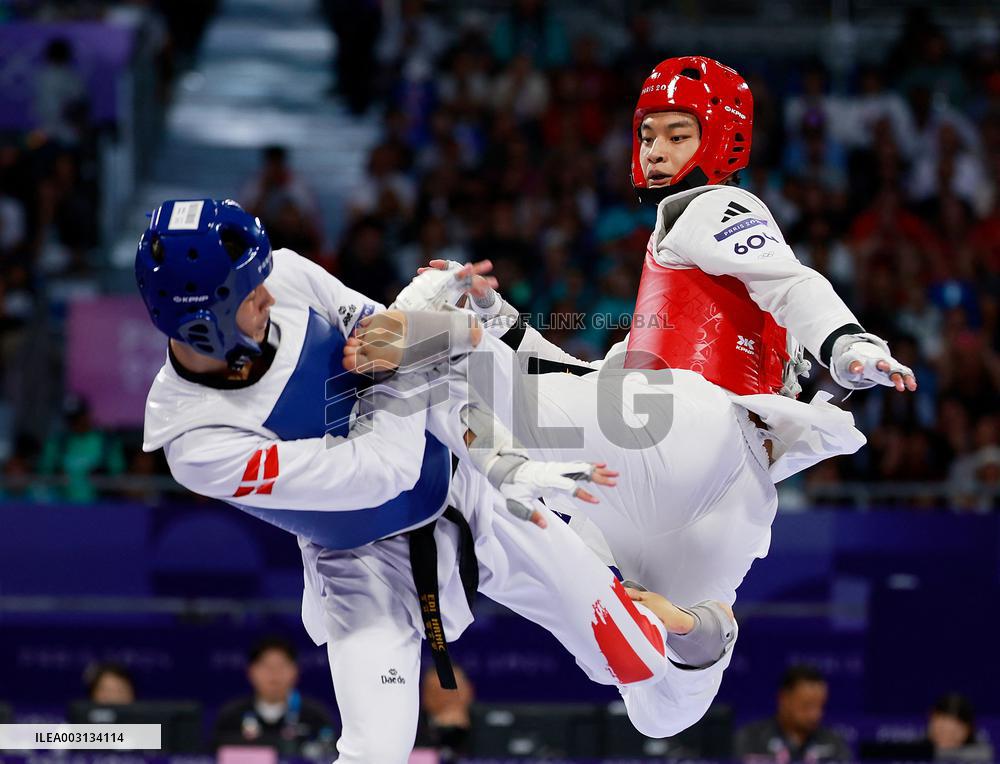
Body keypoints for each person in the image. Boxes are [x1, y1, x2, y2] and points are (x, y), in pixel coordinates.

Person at [397, 56, 917, 738]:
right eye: (648, 137)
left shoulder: (710, 206)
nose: (658, 151)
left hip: (679, 431)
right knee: (665, 707)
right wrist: (506, 322)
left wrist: (849, 343)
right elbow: (582, 384)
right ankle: (696, 628)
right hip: (716, 495)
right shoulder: (688, 319)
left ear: (723, 136)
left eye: (678, 134)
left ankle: (351, 339)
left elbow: (794, 282)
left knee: (442, 376)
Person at [136, 198, 734, 762]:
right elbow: (379, 473)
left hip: (464, 485)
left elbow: (383, 330)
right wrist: (432, 341)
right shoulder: (198, 442)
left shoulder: (287, 276)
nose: (267, 293)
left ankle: (690, 625)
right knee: (378, 751)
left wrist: (429, 324)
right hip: (363, 566)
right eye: (247, 294)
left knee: (632, 662)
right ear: (202, 323)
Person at [214, 636, 335, 755]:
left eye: (281, 665)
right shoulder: (230, 718)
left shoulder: (316, 717)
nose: (274, 673)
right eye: (266, 666)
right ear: (251, 672)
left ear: (295, 671)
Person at [733, 665, 851, 763]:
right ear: (784, 699)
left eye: (820, 706)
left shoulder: (835, 744)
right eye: (807, 706)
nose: (815, 714)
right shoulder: (749, 740)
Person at [926, 693, 994, 763]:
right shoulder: (918, 743)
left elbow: (985, 754)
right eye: (941, 730)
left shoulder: (981, 752)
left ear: (969, 730)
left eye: (953, 732)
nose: (946, 736)